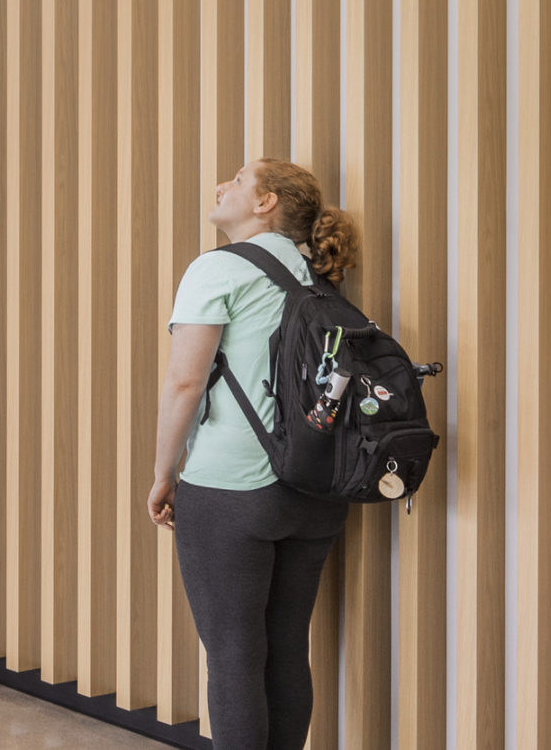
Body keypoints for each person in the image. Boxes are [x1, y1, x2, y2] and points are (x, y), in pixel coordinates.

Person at [148, 158, 359, 750]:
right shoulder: (318, 273)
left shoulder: (216, 269)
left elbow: (185, 383)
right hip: (314, 487)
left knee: (236, 654)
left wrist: (165, 474)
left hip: (230, 489)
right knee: (288, 648)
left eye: (238, 181)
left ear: (266, 203)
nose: (221, 185)